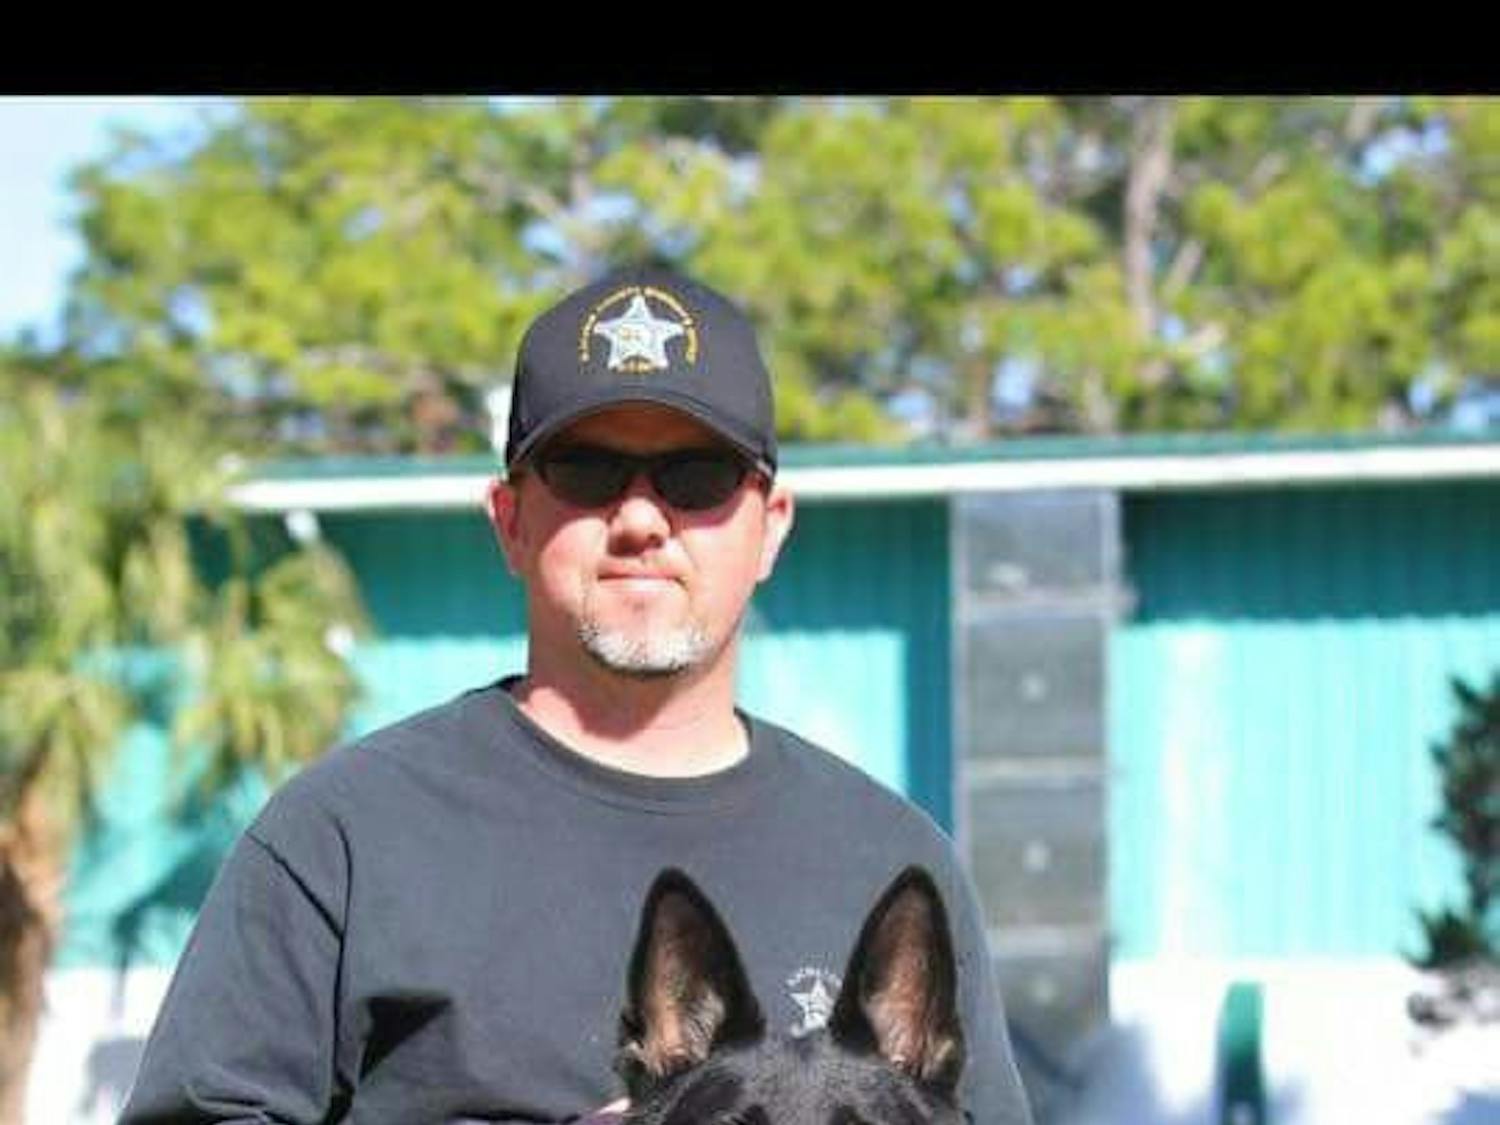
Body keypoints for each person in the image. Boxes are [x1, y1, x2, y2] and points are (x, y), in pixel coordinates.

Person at [120, 267, 1035, 1124]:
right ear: (510, 520)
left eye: (699, 476)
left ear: (771, 527)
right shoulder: (345, 836)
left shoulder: (890, 852)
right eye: (588, 472)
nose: (641, 519)